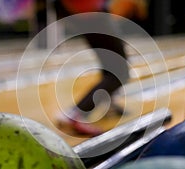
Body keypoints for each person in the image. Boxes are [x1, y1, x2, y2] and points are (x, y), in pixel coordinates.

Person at [53, 0, 148, 136]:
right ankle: (75, 114)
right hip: (92, 13)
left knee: (110, 66)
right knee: (120, 73)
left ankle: (109, 105)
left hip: (85, 13)